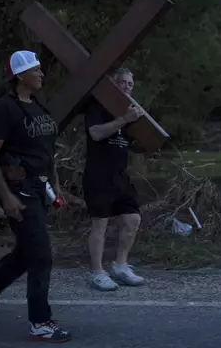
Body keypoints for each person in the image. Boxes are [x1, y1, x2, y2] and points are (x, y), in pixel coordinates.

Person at [0, 50, 71, 343]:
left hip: (40, 188)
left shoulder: (38, 105)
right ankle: (39, 323)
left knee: (28, 252)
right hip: (19, 191)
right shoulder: (5, 109)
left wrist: (56, 183)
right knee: (41, 257)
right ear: (20, 76)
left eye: (40, 69)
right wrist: (7, 197)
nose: (41, 74)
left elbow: (48, 151)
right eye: (35, 70)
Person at [83, 67, 146, 291]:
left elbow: (137, 143)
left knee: (133, 219)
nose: (127, 87)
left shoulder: (132, 113)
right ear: (114, 84)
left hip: (120, 175)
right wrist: (123, 119)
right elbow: (96, 133)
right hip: (98, 174)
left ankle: (120, 266)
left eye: (130, 84)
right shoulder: (98, 107)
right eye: (122, 83)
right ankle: (96, 273)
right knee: (100, 224)